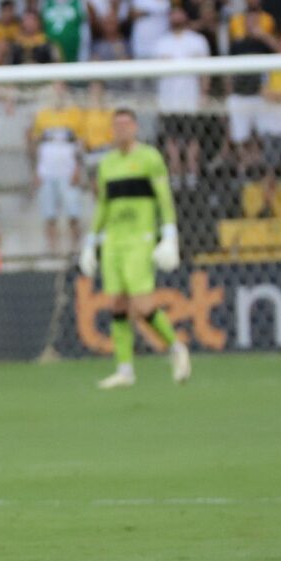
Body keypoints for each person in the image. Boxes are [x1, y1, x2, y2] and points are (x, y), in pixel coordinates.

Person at [78, 109, 191, 390]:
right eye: (117, 125)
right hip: (113, 240)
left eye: (127, 124)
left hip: (140, 238)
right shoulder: (107, 164)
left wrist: (169, 234)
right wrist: (91, 240)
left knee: (141, 305)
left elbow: (163, 197)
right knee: (116, 303)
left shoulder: (149, 158)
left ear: (136, 128)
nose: (122, 130)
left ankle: (176, 348)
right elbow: (103, 204)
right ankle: (125, 370)